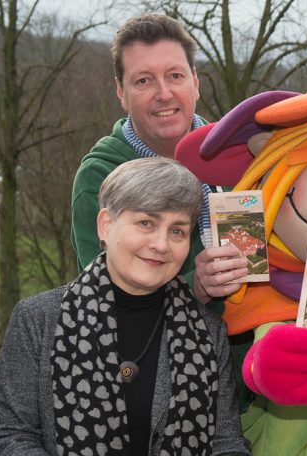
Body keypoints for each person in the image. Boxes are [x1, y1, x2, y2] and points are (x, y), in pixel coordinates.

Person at [0, 158, 276, 456]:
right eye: (146, 223)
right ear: (106, 225)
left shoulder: (207, 334)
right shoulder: (39, 320)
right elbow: (7, 439)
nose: (160, 243)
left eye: (177, 230)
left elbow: (224, 450)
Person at [70, 13, 247, 305]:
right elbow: (100, 300)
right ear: (121, 93)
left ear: (196, 83)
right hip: (166, 350)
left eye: (175, 76)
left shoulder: (240, 154)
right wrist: (194, 287)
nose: (164, 94)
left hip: (255, 346)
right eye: (144, 80)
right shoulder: (99, 177)